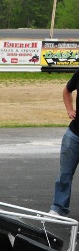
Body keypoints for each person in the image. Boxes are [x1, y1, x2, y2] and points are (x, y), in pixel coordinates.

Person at [49, 68, 79, 217]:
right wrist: (70, 110)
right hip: (74, 134)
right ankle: (58, 208)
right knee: (64, 174)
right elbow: (67, 91)